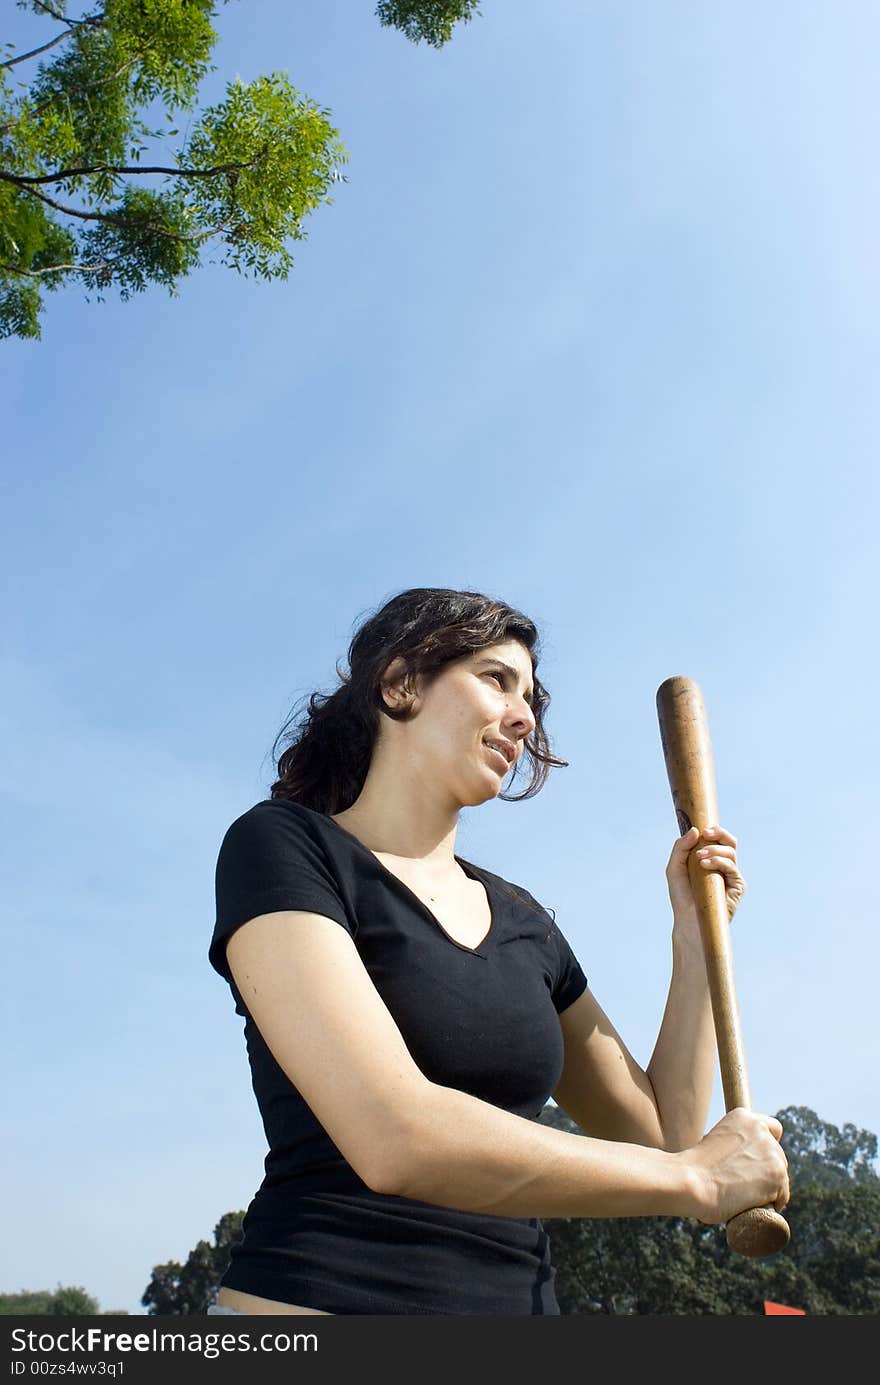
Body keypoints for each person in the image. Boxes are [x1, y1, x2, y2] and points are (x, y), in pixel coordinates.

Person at [207, 586, 789, 1316]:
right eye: (495, 679)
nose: (525, 715)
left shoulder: (524, 923)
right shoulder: (286, 847)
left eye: (532, 697)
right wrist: (702, 1183)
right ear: (400, 684)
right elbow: (394, 1134)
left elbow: (665, 1137)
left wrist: (698, 938)